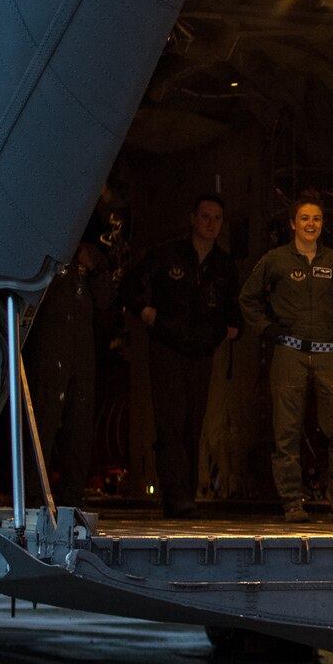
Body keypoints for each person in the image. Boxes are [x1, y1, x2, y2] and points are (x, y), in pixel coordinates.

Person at [239, 193, 333, 524]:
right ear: (293, 224)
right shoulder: (275, 260)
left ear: (322, 225)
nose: (311, 224)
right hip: (290, 351)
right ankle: (292, 501)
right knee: (287, 431)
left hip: (328, 352)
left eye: (317, 219)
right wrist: (266, 328)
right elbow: (247, 297)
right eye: (305, 219)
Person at [125, 194, 240, 518]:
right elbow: (133, 282)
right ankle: (176, 494)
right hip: (168, 346)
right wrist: (146, 311)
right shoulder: (168, 253)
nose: (211, 224)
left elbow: (234, 304)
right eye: (205, 216)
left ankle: (185, 493)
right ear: (193, 218)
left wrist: (230, 328)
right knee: (171, 421)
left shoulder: (223, 265)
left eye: (217, 218)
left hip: (202, 351)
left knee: (194, 422)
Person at [26, 238, 106, 509]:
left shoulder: (90, 253)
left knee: (79, 426)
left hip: (82, 351)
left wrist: (93, 268)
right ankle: (34, 497)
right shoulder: (44, 246)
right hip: (50, 346)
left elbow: (108, 299)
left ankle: (72, 498)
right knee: (44, 421)